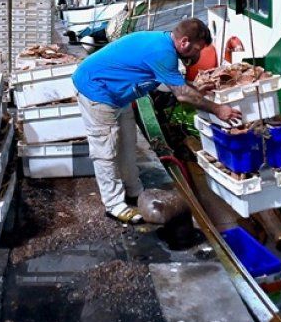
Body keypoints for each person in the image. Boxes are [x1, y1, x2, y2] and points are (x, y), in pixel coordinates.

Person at [72, 18, 243, 224]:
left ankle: (134, 190)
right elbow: (181, 94)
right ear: (184, 42)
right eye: (196, 50)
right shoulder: (163, 52)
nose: (196, 56)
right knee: (106, 149)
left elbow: (173, 81)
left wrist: (196, 89)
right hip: (96, 90)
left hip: (118, 93)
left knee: (127, 142)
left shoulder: (165, 44)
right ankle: (114, 204)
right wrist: (218, 109)